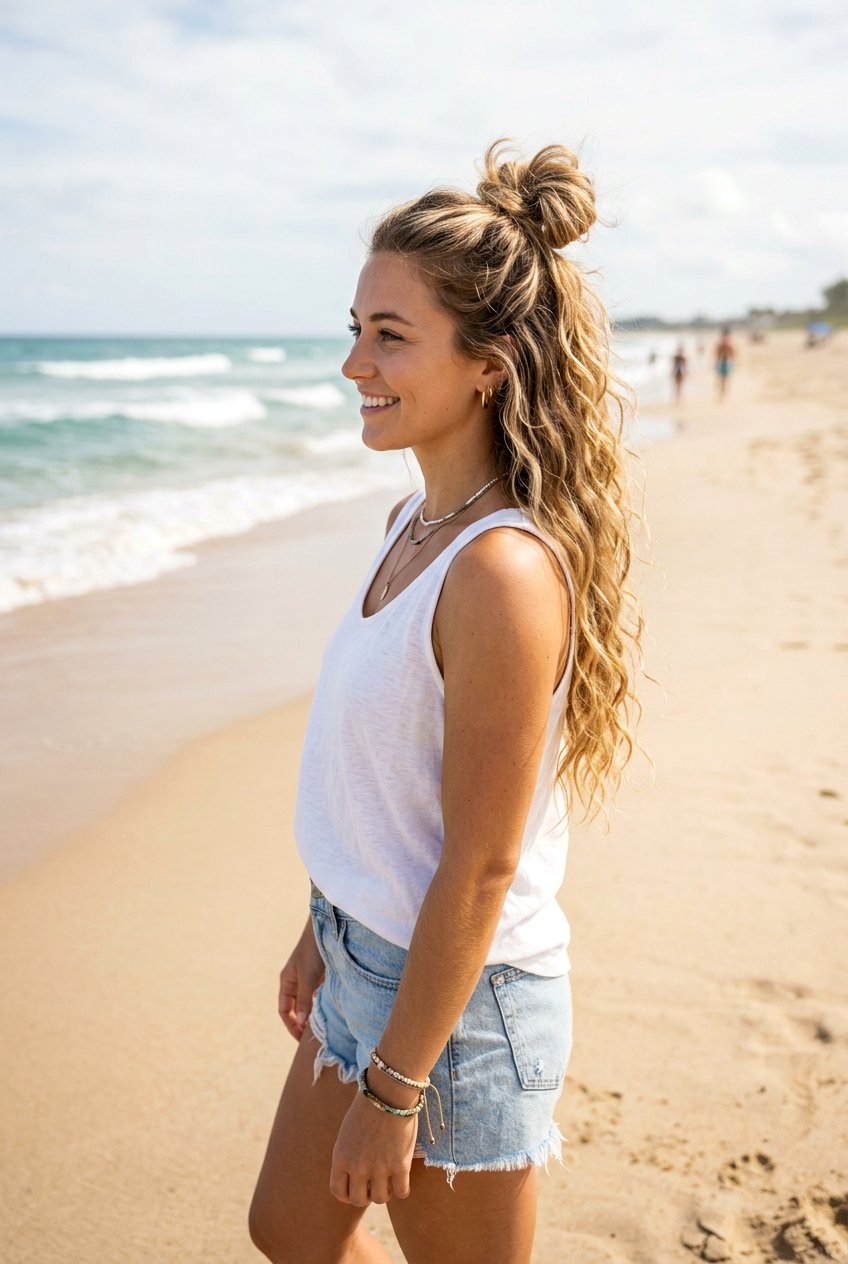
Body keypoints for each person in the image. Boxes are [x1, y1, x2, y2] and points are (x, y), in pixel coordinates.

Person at [249, 139, 644, 1264]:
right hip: (364, 949)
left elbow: (480, 861)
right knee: (289, 1230)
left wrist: (396, 1083)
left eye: (389, 336)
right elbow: (389, 778)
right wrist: (323, 920)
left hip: (457, 1013)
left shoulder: (499, 572)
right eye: (354, 328)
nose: (351, 365)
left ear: (487, 363)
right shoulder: (409, 529)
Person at [715, 327, 735, 400]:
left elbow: (732, 354)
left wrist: (732, 362)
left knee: (725, 380)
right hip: (722, 362)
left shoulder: (729, 344)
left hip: (726, 363)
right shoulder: (721, 344)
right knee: (722, 380)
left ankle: (723, 394)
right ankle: (722, 394)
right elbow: (717, 354)